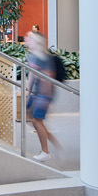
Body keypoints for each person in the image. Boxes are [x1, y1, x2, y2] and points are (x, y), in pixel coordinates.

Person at [25, 30, 63, 161]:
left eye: (31, 40)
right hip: (36, 94)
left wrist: (48, 101)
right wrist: (28, 93)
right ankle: (51, 140)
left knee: (36, 121)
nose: (28, 41)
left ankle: (45, 152)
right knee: (33, 121)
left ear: (38, 43)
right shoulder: (32, 56)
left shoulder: (45, 58)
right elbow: (31, 75)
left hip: (44, 96)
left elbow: (49, 79)